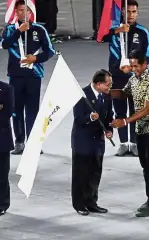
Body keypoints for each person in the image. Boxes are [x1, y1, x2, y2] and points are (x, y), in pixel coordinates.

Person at [110, 50, 149, 217]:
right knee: (144, 164)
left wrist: (126, 121)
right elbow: (124, 93)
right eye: (132, 66)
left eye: (136, 66)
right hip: (140, 129)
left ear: (144, 64)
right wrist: (103, 91)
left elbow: (148, 108)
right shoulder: (133, 79)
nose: (134, 69)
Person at [1, 0, 55, 155]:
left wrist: (35, 59)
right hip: (16, 76)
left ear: (30, 13)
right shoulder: (10, 29)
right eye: (20, 10)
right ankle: (19, 142)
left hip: (34, 76)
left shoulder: (40, 29)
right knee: (16, 110)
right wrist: (19, 31)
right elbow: (4, 45)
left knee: (33, 111)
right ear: (16, 12)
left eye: (26, 10)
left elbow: (49, 51)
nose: (23, 13)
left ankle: (33, 142)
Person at [108, 0, 149, 156]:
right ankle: (122, 143)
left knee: (135, 110)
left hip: (136, 78)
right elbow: (101, 37)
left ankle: (134, 143)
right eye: (128, 11)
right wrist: (118, 30)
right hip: (117, 76)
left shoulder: (142, 32)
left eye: (134, 12)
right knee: (119, 110)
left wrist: (133, 68)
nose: (131, 15)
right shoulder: (115, 30)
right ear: (122, 12)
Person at [71, 69, 113, 216]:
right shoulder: (82, 95)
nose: (110, 87)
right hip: (83, 141)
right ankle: (79, 204)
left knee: (95, 173)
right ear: (98, 84)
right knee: (81, 174)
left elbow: (109, 116)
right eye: (108, 84)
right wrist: (90, 117)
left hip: (98, 142)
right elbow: (78, 119)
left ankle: (91, 202)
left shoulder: (107, 96)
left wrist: (109, 130)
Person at [0, 81, 14, 216]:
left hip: (1, 140)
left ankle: (2, 203)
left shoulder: (6, 89)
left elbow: (7, 113)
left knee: (2, 174)